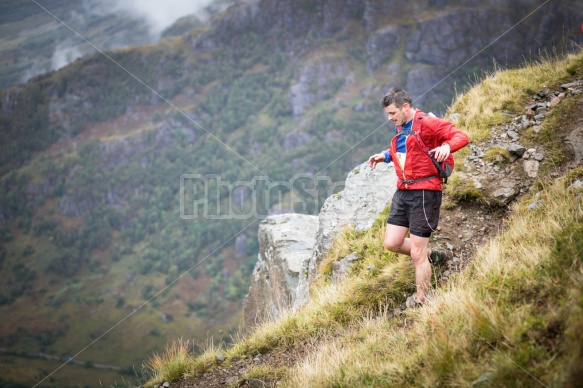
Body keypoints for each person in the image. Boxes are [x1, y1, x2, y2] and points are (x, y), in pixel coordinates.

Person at [368, 87, 469, 305]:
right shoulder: (402, 125)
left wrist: (447, 147)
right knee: (392, 243)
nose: (390, 118)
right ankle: (432, 256)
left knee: (416, 254)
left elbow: (461, 136)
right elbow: (407, 150)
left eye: (392, 113)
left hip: (425, 193)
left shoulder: (428, 123)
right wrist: (385, 156)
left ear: (406, 107)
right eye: (388, 114)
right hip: (403, 191)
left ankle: (423, 300)